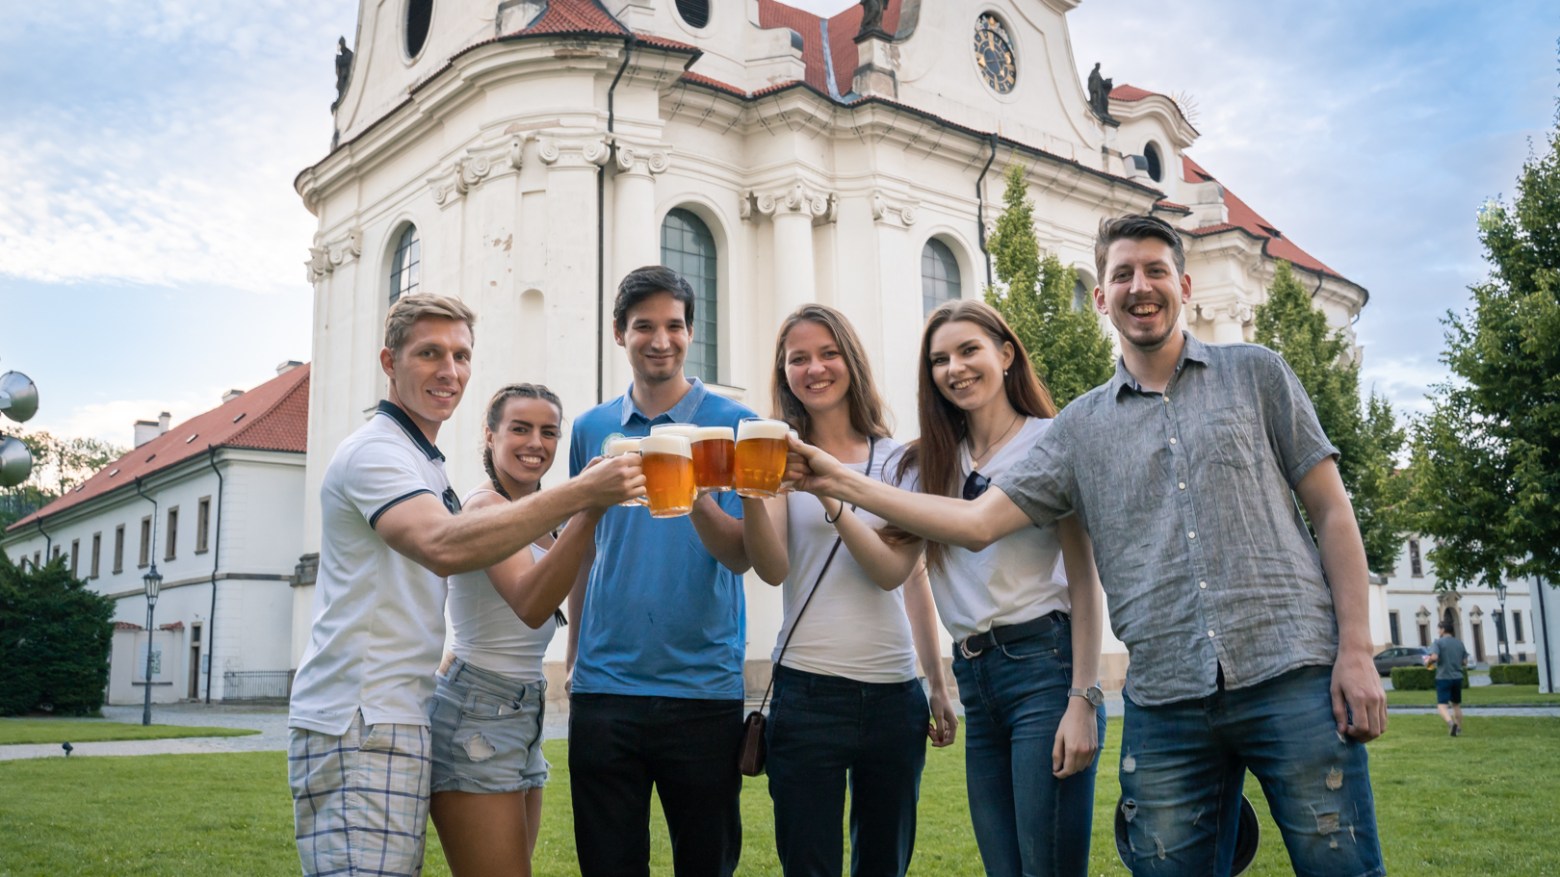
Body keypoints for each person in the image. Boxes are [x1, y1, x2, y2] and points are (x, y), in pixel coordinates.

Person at [787, 214, 1388, 877]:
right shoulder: (1079, 429)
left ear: (1184, 284)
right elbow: (977, 522)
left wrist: (1356, 648)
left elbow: (1331, 509)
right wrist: (836, 483)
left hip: (1288, 671)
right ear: (1100, 296)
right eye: (1122, 274)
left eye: (1155, 270)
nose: (1140, 286)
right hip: (1165, 695)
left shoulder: (1255, 372)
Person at [287, 294, 642, 877]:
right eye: (429, 353)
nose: (448, 371)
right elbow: (445, 548)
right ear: (389, 361)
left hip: (401, 709)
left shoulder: (422, 461)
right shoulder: (377, 453)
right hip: (359, 717)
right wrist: (586, 495)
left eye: (460, 355)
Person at [739, 305, 958, 877]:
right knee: (808, 864)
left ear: (851, 362)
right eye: (798, 359)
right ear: (784, 373)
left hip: (892, 695)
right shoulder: (776, 460)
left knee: (883, 864)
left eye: (828, 353)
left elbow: (901, 575)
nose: (815, 368)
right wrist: (749, 494)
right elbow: (772, 569)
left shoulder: (902, 461)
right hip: (806, 694)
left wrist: (935, 683)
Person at [894, 300, 1107, 876]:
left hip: (1045, 669)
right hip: (975, 679)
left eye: (969, 351)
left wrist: (1083, 698)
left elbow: (1084, 580)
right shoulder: (929, 462)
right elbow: (909, 572)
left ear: (1006, 354)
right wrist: (937, 681)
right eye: (939, 360)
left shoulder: (1051, 441)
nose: (955, 368)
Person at [565, 265, 756, 877]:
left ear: (691, 332)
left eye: (674, 325)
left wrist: (691, 484)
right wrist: (572, 659)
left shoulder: (732, 424)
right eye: (643, 326)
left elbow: (740, 554)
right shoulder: (593, 429)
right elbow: (581, 548)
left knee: (706, 865)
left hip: (701, 690)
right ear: (619, 333)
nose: (660, 339)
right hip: (604, 689)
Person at [430, 384, 597, 876]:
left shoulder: (538, 512)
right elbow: (530, 602)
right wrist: (589, 506)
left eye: (548, 432)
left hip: (521, 707)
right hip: (477, 707)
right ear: (490, 435)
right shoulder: (487, 509)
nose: (535, 443)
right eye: (520, 428)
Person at [1428, 619, 1469, 736]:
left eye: (1438, 629)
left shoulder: (1438, 642)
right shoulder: (1459, 643)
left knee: (1442, 705)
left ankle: (1451, 723)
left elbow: (1434, 657)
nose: (1438, 631)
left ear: (1443, 629)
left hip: (1443, 677)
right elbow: (1465, 661)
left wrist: (1429, 660)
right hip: (1457, 677)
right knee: (1456, 704)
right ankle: (1459, 728)